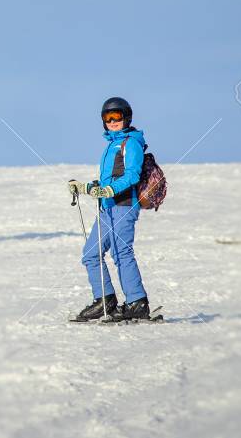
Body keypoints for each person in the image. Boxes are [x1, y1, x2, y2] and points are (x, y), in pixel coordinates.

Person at [69, 97, 151, 323]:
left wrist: (109, 190)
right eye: (107, 118)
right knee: (91, 254)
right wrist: (88, 188)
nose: (113, 121)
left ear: (127, 117)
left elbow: (132, 175)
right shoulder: (111, 145)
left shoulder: (130, 143)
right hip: (108, 207)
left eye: (117, 116)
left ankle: (137, 302)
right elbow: (110, 179)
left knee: (121, 253)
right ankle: (105, 300)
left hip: (124, 205)